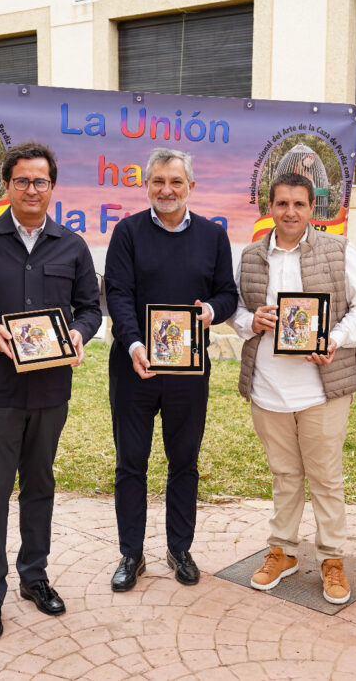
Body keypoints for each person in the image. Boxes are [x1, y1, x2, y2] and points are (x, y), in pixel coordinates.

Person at [0, 141, 101, 640]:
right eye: (23, 181)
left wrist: (79, 333)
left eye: (41, 181)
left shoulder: (71, 246)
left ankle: (35, 577)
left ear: (53, 187)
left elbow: (90, 308)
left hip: (51, 391)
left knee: (40, 487)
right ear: (7, 185)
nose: (32, 189)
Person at [227, 173, 356, 604]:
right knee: (284, 475)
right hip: (268, 388)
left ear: (313, 209)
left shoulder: (338, 250)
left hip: (321, 389)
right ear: (269, 207)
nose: (290, 212)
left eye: (299, 204)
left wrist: (335, 339)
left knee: (326, 478)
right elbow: (237, 309)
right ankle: (284, 551)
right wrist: (248, 321)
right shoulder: (253, 255)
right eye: (282, 204)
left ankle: (331, 557)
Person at [104, 148, 238, 592]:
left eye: (175, 182)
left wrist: (212, 311)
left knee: (184, 462)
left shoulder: (213, 237)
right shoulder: (126, 233)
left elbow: (227, 294)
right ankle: (131, 554)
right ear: (146, 186)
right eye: (158, 181)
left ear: (190, 187)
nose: (166, 190)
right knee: (131, 464)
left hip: (188, 372)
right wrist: (135, 343)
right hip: (135, 367)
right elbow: (118, 296)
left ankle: (180, 548)